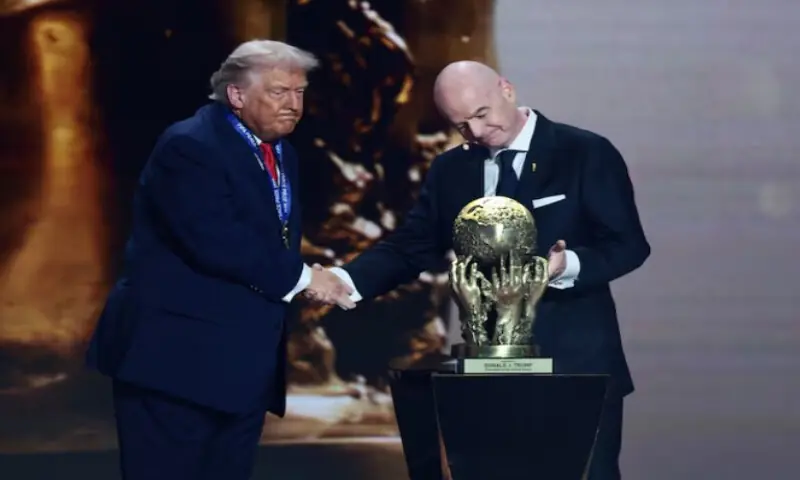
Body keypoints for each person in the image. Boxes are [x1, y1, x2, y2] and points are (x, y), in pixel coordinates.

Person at [325, 60, 651, 479]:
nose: (476, 133)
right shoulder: (452, 170)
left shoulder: (583, 152)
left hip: (574, 368)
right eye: (461, 125)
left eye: (481, 115)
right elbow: (411, 247)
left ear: (507, 90)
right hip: (485, 376)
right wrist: (345, 280)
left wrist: (562, 266)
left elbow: (628, 245)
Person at [85, 39, 355, 480]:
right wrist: (306, 278)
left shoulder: (280, 150)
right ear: (236, 95)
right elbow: (216, 241)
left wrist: (306, 278)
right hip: (175, 365)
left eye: (299, 92)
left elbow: (269, 239)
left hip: (241, 368)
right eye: (278, 92)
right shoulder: (189, 147)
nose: (293, 104)